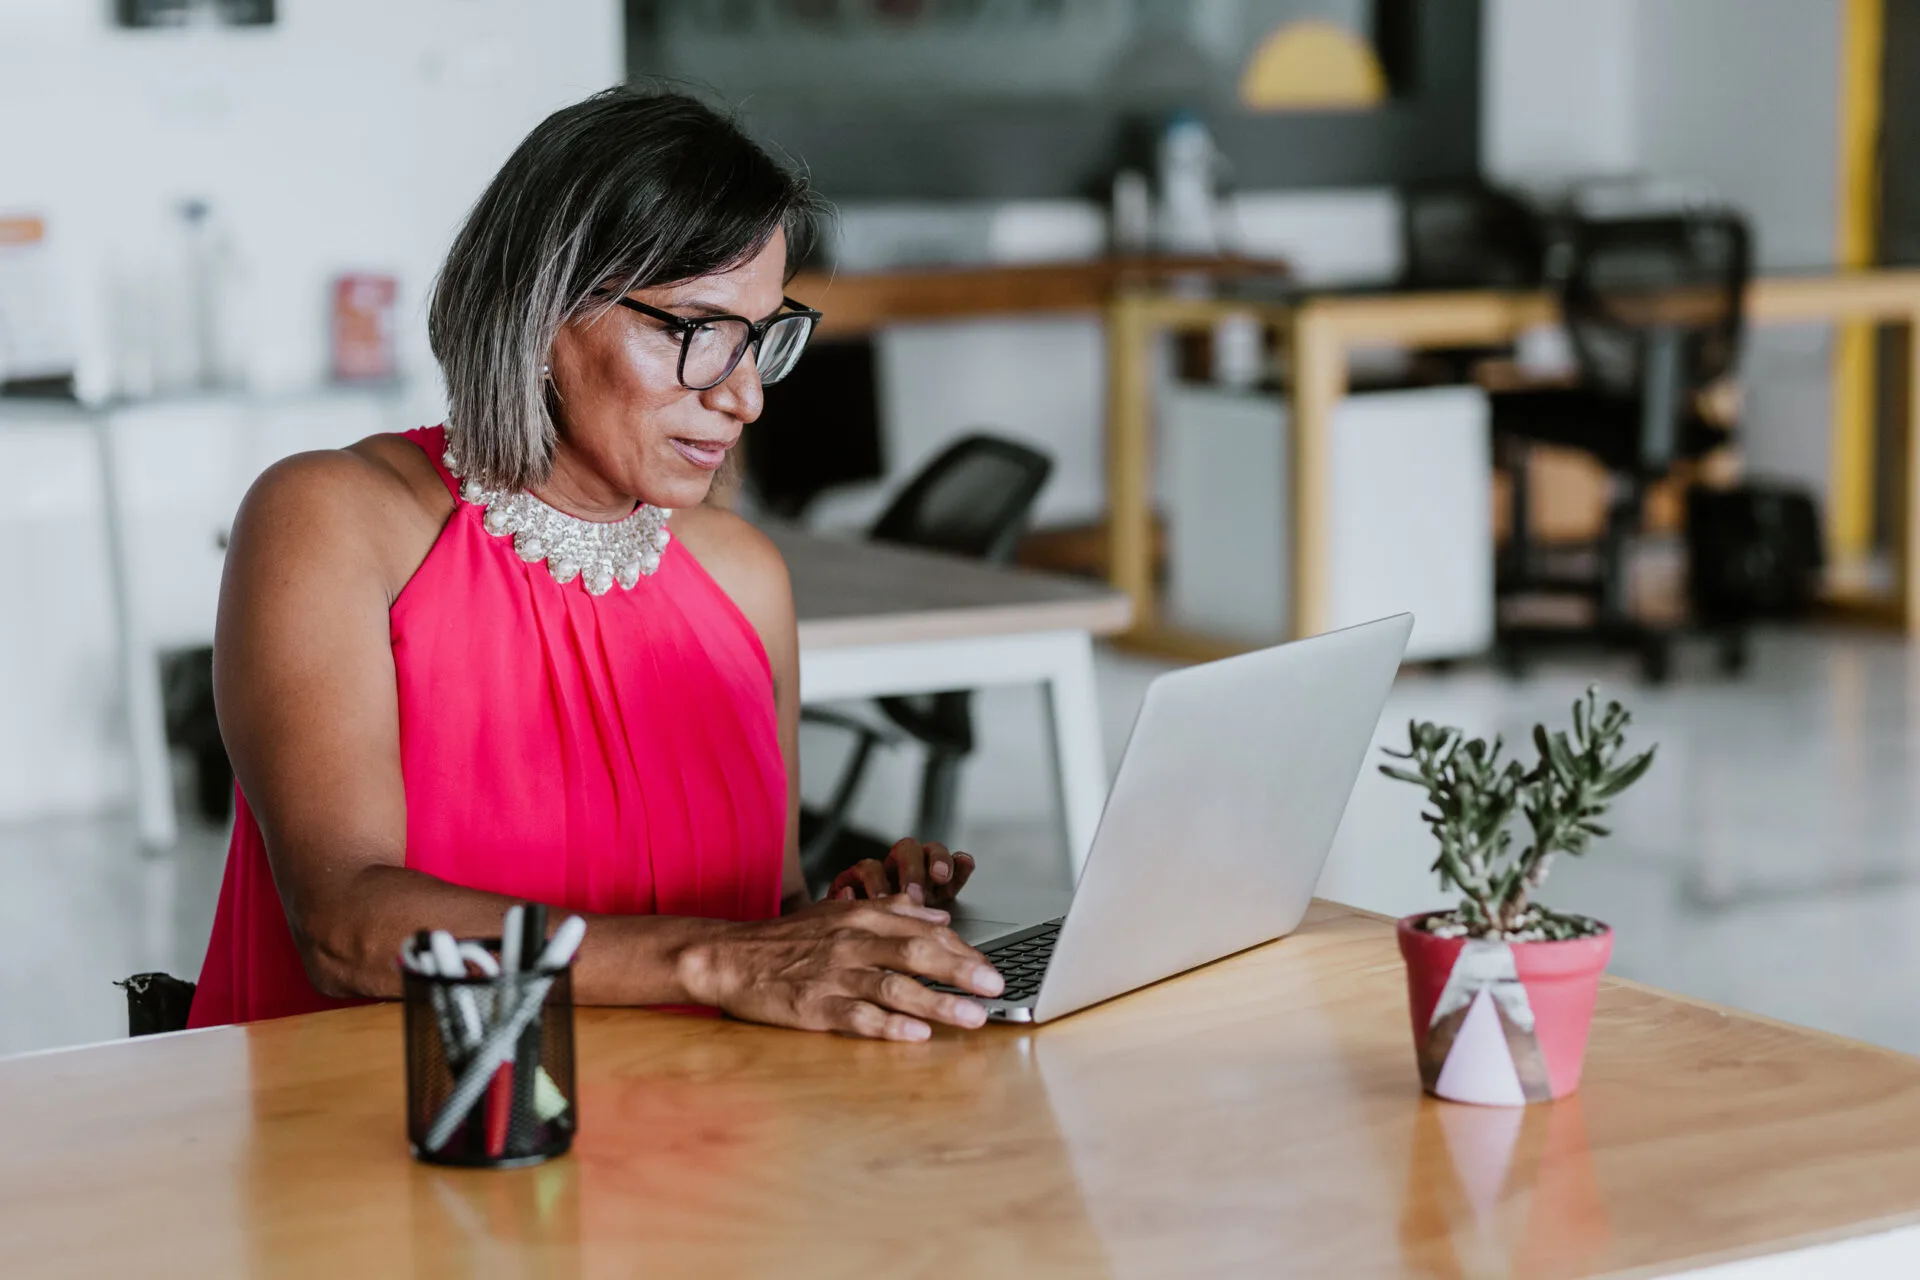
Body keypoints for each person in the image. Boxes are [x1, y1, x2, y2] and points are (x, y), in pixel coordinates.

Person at [187, 88, 1004, 1041]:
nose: (745, 397)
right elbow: (344, 925)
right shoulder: (334, 519)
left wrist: (840, 928)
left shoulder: (743, 578)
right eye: (697, 331)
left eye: (762, 337)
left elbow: (763, 912)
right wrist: (715, 958)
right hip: (414, 1141)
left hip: (702, 1144)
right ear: (542, 316)